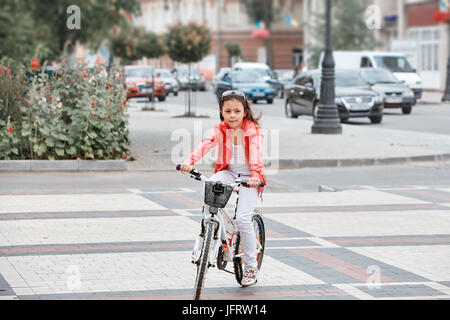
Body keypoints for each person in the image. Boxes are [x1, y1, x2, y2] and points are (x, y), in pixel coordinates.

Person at [179, 90, 267, 287]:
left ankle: (251, 266)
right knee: (209, 186)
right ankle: (211, 233)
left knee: (243, 219)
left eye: (237, 111)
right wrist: (188, 161)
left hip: (250, 177)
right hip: (228, 172)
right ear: (222, 112)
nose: (233, 115)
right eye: (228, 111)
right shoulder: (219, 129)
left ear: (245, 112)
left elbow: (256, 155)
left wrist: (254, 176)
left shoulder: (253, 131)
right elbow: (206, 144)